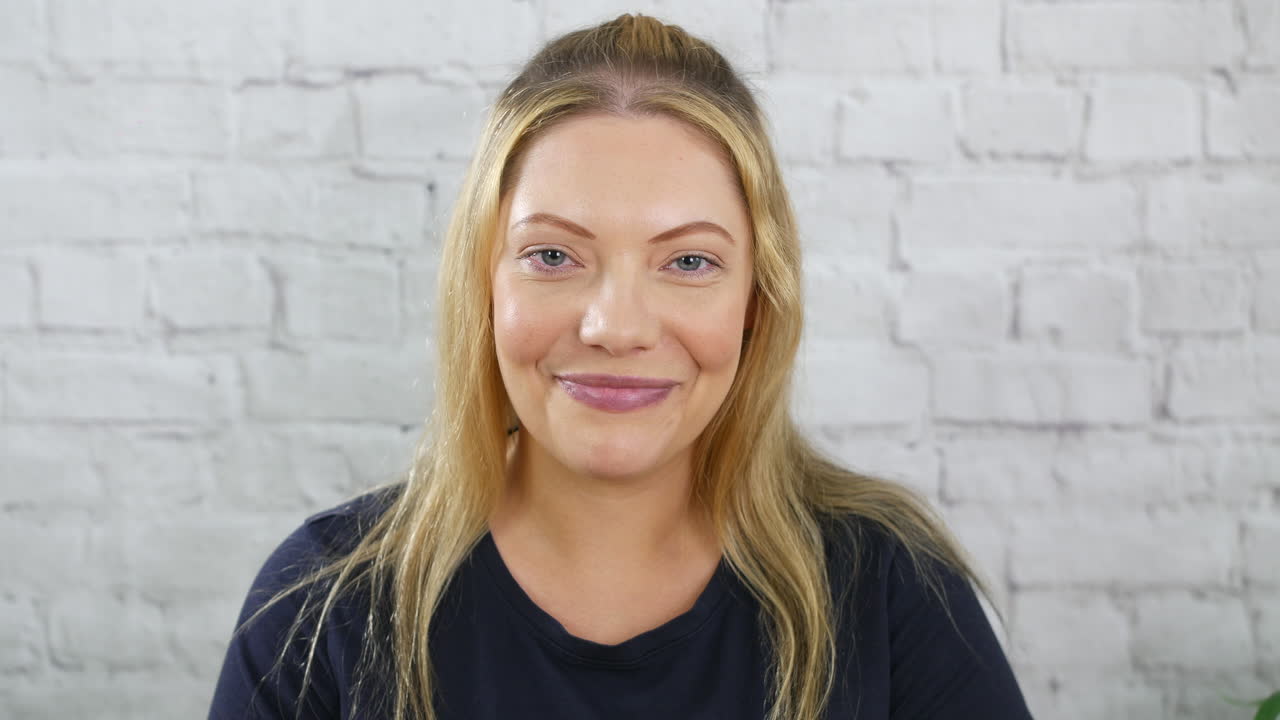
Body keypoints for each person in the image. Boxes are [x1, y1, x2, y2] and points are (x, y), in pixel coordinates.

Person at [208, 13, 1035, 720]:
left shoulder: (888, 590)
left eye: (689, 262)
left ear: (757, 301)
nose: (616, 327)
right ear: (483, 285)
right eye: (553, 255)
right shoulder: (323, 602)